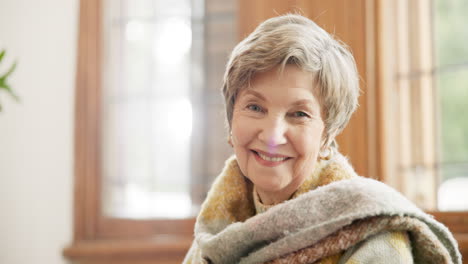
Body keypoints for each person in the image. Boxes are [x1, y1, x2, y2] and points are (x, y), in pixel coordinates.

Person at [183, 14, 461, 264]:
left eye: (299, 114)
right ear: (231, 120)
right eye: (255, 107)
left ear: (328, 134)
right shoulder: (215, 231)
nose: (271, 136)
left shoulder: (377, 238)